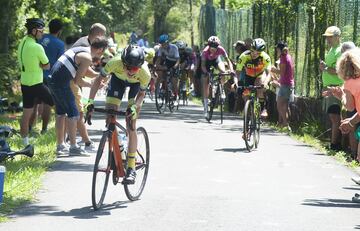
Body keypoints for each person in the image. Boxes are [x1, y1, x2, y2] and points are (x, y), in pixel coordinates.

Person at [87, 45, 151, 184]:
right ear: (123, 63)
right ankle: (118, 146)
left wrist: (134, 107)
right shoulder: (114, 63)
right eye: (128, 67)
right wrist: (90, 101)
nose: (131, 71)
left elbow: (141, 94)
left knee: (131, 124)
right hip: (117, 81)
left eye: (135, 68)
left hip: (136, 87)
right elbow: (98, 80)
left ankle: (131, 167)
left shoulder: (145, 73)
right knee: (109, 117)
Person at [48, 37, 108, 155]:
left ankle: (60, 145)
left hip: (52, 80)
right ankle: (73, 147)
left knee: (60, 113)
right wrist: (91, 85)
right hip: (62, 83)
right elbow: (77, 80)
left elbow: (85, 70)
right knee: (74, 114)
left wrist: (98, 76)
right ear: (100, 49)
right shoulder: (87, 57)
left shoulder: (82, 49)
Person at [17, 18, 54, 145]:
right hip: (37, 84)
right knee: (58, 105)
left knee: (26, 114)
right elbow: (47, 65)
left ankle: (25, 143)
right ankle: (64, 138)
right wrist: (40, 65)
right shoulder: (37, 47)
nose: (42, 33)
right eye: (41, 31)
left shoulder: (22, 42)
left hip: (25, 83)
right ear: (34, 31)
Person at [71, 23, 107, 151]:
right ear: (98, 35)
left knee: (73, 111)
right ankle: (83, 142)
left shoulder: (84, 41)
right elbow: (84, 69)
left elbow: (85, 68)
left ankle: (71, 139)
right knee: (77, 111)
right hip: (72, 80)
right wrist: (93, 80)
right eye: (103, 36)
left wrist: (97, 77)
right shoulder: (85, 45)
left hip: (72, 79)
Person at [34, 19, 65, 134]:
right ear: (60, 31)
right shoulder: (60, 44)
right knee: (47, 103)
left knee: (34, 103)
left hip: (35, 74)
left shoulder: (39, 38)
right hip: (49, 76)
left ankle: (30, 128)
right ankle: (44, 129)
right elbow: (60, 63)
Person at [320, 26, 343, 151]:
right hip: (330, 87)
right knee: (333, 116)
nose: (328, 39)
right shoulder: (332, 50)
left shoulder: (339, 51)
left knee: (335, 116)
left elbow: (340, 71)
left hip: (336, 88)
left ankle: (335, 145)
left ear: (337, 37)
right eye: (327, 37)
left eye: (330, 37)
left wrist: (326, 68)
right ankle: (334, 142)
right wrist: (325, 67)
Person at [235, 38, 272, 118]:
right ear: (251, 48)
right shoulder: (244, 56)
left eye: (258, 53)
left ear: (261, 52)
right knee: (245, 95)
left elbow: (269, 73)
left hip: (260, 75)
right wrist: (238, 82)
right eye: (253, 51)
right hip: (248, 76)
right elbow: (238, 71)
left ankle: (263, 109)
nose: (255, 54)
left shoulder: (265, 57)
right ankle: (248, 116)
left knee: (260, 87)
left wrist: (265, 83)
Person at [201, 36, 234, 118]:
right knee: (206, 81)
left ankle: (221, 88)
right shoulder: (205, 51)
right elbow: (203, 65)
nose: (213, 49)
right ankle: (205, 106)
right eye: (212, 47)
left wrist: (231, 69)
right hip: (207, 63)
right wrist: (206, 72)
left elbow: (228, 61)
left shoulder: (221, 49)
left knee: (223, 72)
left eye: (215, 47)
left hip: (216, 61)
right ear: (209, 46)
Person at [270, 41, 295, 130]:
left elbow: (282, 72)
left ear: (280, 49)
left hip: (285, 84)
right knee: (284, 105)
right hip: (288, 83)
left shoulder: (283, 57)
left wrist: (273, 70)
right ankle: (284, 124)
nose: (277, 51)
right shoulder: (288, 56)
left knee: (279, 105)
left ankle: (285, 124)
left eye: (277, 50)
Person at [155, 34, 180, 105]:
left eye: (163, 44)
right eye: (161, 44)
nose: (162, 45)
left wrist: (175, 66)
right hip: (168, 61)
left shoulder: (174, 47)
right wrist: (157, 65)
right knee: (162, 73)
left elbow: (178, 59)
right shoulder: (161, 48)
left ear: (167, 42)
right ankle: (164, 88)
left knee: (174, 80)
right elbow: (159, 58)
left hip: (175, 62)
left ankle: (176, 95)